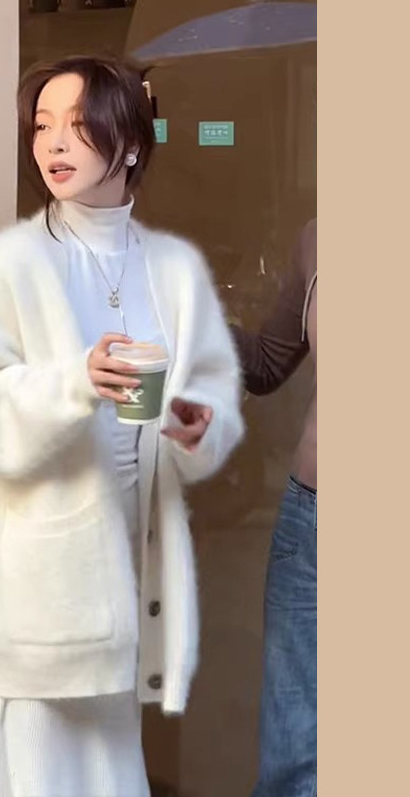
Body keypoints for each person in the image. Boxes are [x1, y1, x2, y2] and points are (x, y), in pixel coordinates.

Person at [0, 56, 244, 797]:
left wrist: (198, 426)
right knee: (43, 769)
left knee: (111, 769)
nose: (54, 144)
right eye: (43, 127)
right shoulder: (17, 262)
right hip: (43, 576)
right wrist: (76, 382)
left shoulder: (171, 268)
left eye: (78, 125)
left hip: (131, 566)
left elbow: (209, 402)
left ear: (129, 143)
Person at [231, 219, 317, 797]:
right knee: (292, 759)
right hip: (310, 524)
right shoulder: (319, 238)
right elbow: (265, 363)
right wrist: (190, 314)